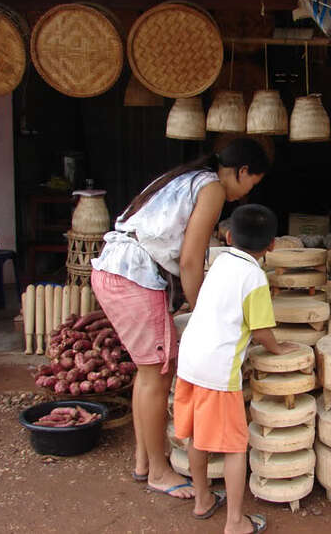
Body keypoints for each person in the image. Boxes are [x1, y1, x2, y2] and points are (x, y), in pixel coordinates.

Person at [91, 139, 270, 500]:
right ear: (242, 171)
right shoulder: (213, 187)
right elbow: (190, 261)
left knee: (149, 373)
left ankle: (145, 460)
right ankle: (159, 471)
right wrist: (206, 312)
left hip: (118, 269)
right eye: (251, 184)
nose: (244, 194)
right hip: (132, 275)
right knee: (156, 374)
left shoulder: (190, 177)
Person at [174, 204, 297, 534]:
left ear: (228, 236)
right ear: (272, 245)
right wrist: (278, 347)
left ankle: (202, 500)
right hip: (218, 371)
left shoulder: (220, 262)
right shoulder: (254, 276)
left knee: (198, 436)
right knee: (233, 447)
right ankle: (235, 522)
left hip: (189, 363)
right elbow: (260, 330)